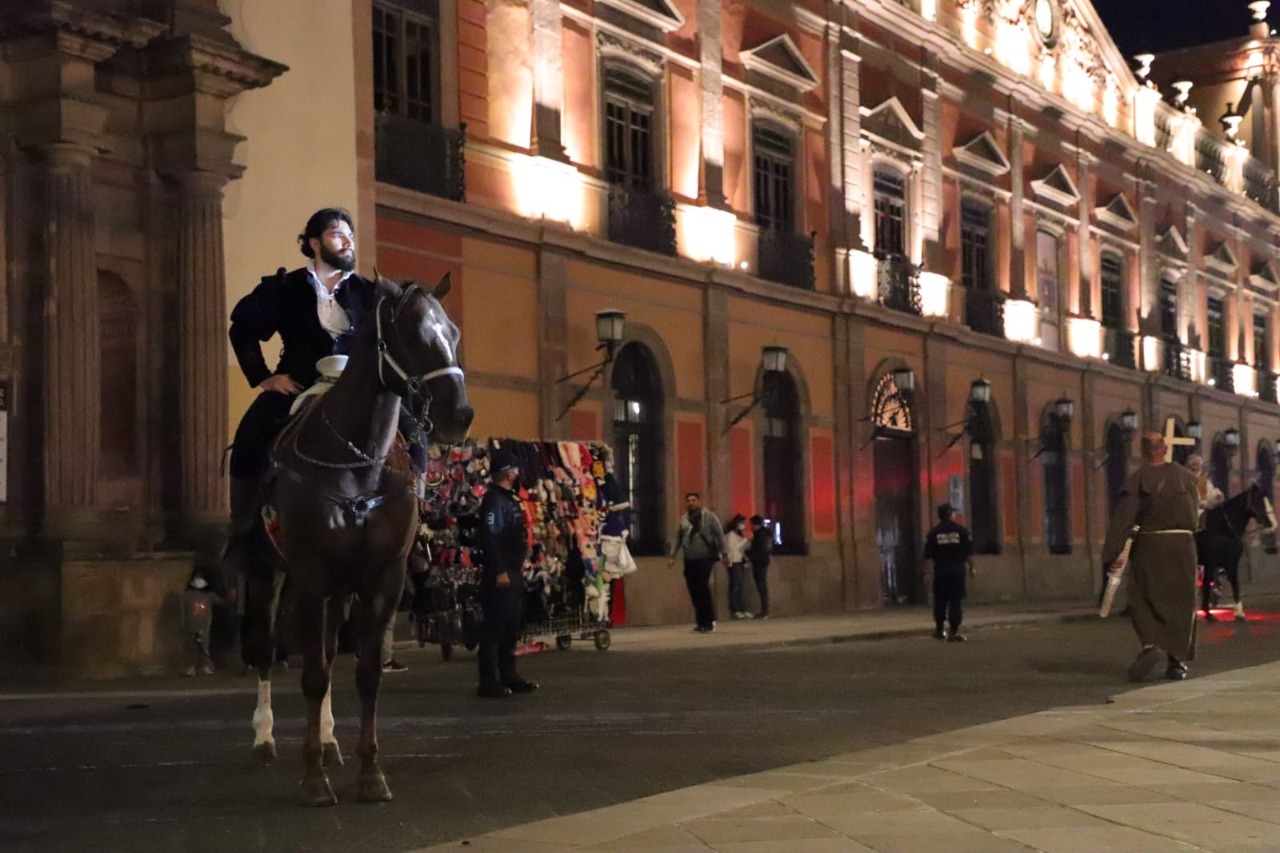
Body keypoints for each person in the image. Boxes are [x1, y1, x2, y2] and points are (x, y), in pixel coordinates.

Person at [223, 208, 378, 581]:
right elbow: (241, 328)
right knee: (250, 434)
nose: (348, 241)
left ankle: (412, 521)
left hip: (354, 390)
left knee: (408, 427)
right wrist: (264, 377)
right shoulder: (286, 287)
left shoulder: (367, 293)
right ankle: (242, 530)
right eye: (338, 234)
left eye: (350, 235)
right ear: (314, 243)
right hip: (301, 385)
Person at [1102, 431, 1200, 682]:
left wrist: (1112, 553)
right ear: (1164, 449)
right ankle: (1176, 662)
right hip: (1183, 547)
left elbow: (1124, 518)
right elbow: (1195, 517)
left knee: (1142, 598)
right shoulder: (1186, 478)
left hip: (1151, 546)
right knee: (1182, 601)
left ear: (1143, 451)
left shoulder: (1138, 479)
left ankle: (1150, 645)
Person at [476, 449, 538, 698]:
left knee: (511, 626)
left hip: (513, 571)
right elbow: (489, 537)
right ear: (505, 472)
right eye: (513, 469)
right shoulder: (494, 500)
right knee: (494, 628)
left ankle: (509, 674)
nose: (517, 473)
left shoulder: (507, 498)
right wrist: (500, 571)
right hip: (502, 575)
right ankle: (488, 680)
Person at [1185, 454, 1236, 622]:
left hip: (1206, 518)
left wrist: (1217, 496)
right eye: (1192, 464)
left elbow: (1213, 494)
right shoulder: (1185, 480)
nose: (1195, 467)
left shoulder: (1205, 481)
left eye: (1197, 464)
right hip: (1191, 516)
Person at [667, 493, 728, 633]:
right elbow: (678, 538)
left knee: (702, 586)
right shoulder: (684, 519)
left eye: (693, 500)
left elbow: (719, 534)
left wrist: (724, 554)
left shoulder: (709, 517)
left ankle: (709, 620)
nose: (691, 503)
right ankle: (701, 621)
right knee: (693, 590)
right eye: (688, 500)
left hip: (705, 558)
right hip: (690, 559)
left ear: (699, 502)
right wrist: (672, 556)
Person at [922, 503, 974, 642]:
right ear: (951, 514)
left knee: (940, 601)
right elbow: (968, 552)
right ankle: (953, 632)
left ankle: (939, 630)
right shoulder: (961, 531)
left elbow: (927, 555)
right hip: (957, 571)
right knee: (955, 601)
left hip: (941, 571)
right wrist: (972, 568)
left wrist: (927, 572)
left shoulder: (933, 533)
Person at [183, 570, 223, 676]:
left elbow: (221, 602)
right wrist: (184, 624)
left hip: (204, 626)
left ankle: (205, 666)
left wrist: (230, 598)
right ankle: (191, 667)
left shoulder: (209, 595)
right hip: (191, 626)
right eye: (197, 577)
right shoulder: (187, 596)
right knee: (191, 648)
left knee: (204, 647)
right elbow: (183, 611)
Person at [724, 514, 751, 619]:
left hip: (740, 561)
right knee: (735, 586)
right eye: (742, 523)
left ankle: (743, 608)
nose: (743, 525)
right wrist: (744, 540)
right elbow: (732, 548)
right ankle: (735, 609)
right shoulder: (731, 534)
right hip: (734, 562)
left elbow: (741, 549)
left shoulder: (738, 534)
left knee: (741, 587)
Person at [747, 515, 773, 619]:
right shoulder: (765, 534)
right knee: (762, 587)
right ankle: (764, 610)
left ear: (756, 524)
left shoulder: (760, 535)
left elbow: (760, 550)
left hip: (759, 562)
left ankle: (765, 611)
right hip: (762, 562)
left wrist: (750, 555)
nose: (751, 526)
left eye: (752, 524)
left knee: (761, 587)